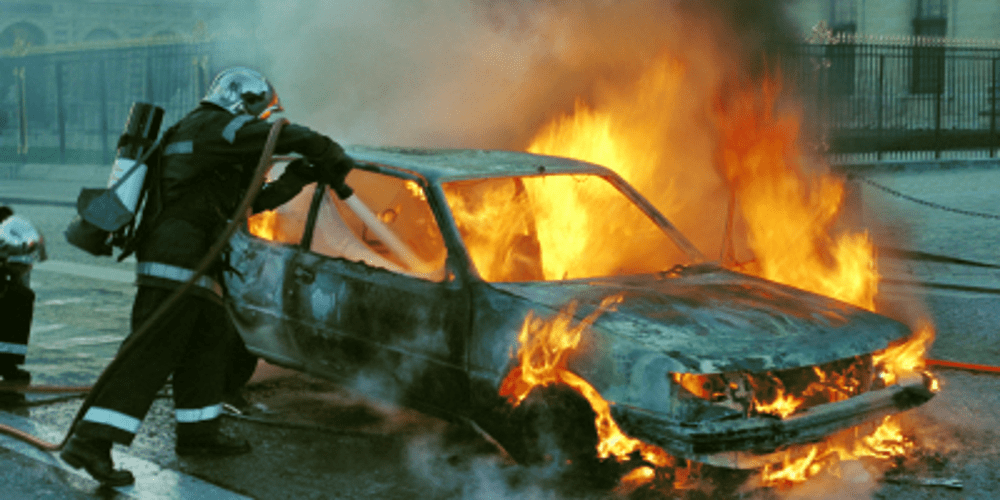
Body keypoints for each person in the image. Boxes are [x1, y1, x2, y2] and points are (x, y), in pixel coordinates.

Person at [59, 67, 356, 486]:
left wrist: (299, 177)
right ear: (245, 102)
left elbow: (248, 204)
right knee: (149, 353)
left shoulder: (208, 137)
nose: (258, 121)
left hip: (199, 262)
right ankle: (90, 441)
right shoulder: (215, 127)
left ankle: (199, 433)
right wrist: (328, 149)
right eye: (259, 112)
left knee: (207, 346)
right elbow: (279, 135)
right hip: (177, 261)